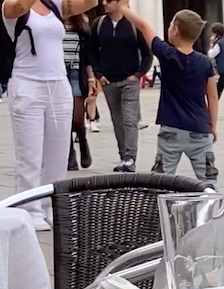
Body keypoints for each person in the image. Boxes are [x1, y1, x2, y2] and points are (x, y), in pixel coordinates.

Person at [3, 0, 99, 230]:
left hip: (58, 84)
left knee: (57, 155)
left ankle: (51, 206)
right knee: (30, 155)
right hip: (27, 84)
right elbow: (20, 6)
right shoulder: (11, 6)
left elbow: (90, 2)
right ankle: (29, 209)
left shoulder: (55, 5)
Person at [118, 3, 217, 188]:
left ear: (176, 31)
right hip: (199, 128)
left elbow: (144, 27)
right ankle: (214, 213)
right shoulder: (205, 62)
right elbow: (212, 97)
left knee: (162, 181)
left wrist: (123, 8)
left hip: (171, 127)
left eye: (171, 25)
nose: (168, 28)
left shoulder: (167, 55)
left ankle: (160, 214)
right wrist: (213, 125)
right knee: (208, 181)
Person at [91, 0, 152, 173]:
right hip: (109, 81)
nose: (105, 3)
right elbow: (92, 50)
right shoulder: (100, 24)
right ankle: (123, 156)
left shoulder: (133, 24)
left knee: (129, 119)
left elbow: (147, 52)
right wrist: (98, 74)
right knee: (117, 121)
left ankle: (130, 157)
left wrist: (138, 74)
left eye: (109, 1)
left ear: (119, 3)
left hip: (129, 80)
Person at [64, 14, 93, 171]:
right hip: (59, 73)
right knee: (63, 117)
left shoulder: (81, 27)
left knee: (77, 117)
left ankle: (82, 141)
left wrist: (91, 78)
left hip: (76, 72)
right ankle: (70, 155)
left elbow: (87, 56)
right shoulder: (52, 22)